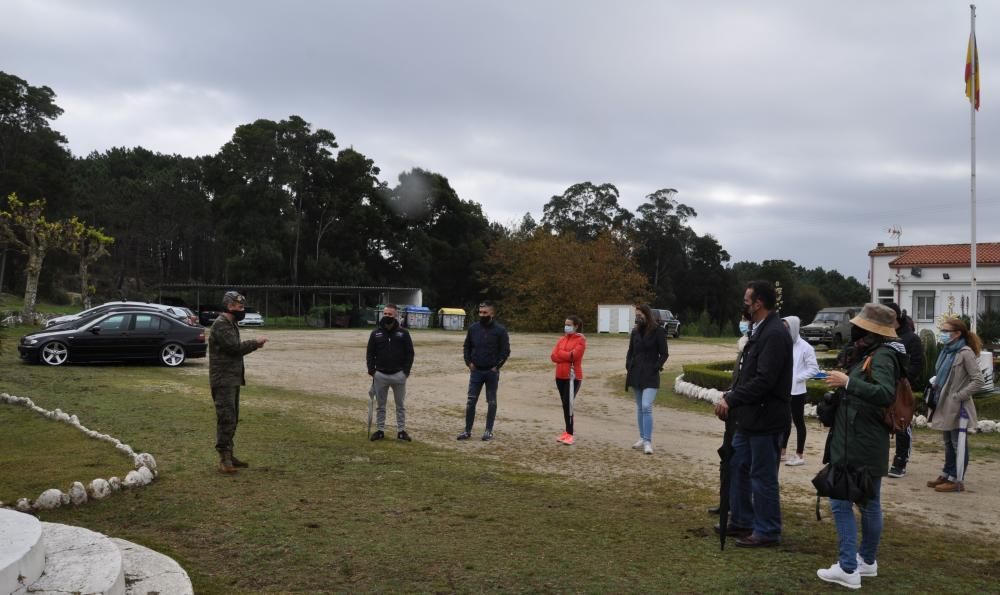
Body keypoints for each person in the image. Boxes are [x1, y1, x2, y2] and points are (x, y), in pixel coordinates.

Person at [817, 303, 906, 589]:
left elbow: (883, 393)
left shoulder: (881, 356)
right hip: (866, 441)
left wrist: (847, 383)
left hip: (859, 442)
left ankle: (848, 567)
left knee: (840, 499)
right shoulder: (877, 353)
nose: (854, 329)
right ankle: (866, 561)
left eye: (859, 325)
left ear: (870, 329)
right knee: (869, 503)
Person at [713, 281, 791, 547]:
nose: (744, 303)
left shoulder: (774, 334)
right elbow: (748, 373)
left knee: (762, 476)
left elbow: (765, 380)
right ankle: (742, 520)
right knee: (738, 466)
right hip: (749, 419)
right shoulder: (760, 331)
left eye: (747, 299)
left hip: (766, 419)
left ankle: (768, 530)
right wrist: (731, 394)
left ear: (758, 303)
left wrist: (732, 398)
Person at [209, 291, 267, 474]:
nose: (242, 310)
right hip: (223, 380)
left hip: (231, 379)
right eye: (239, 307)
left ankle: (229, 456)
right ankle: (224, 460)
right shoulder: (221, 325)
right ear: (229, 306)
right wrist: (255, 343)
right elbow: (234, 348)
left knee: (232, 418)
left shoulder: (230, 323)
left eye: (242, 306)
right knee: (226, 418)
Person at [926, 317, 985, 493]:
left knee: (957, 442)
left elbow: (978, 380)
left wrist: (959, 396)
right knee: (948, 442)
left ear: (957, 333)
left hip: (957, 405)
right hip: (943, 401)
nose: (942, 334)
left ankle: (957, 479)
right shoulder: (947, 351)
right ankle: (947, 473)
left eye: (945, 331)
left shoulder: (964, 352)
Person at [457, 301, 511, 441]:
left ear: (492, 313)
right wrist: (468, 362)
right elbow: (466, 346)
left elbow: (505, 351)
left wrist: (496, 367)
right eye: (480, 312)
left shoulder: (500, 330)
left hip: (491, 372)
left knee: (491, 401)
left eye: (485, 313)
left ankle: (488, 431)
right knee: (471, 401)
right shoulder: (473, 328)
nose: (482, 315)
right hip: (476, 371)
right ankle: (467, 431)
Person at [366, 303, 415, 442]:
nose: (387, 316)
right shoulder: (375, 333)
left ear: (396, 315)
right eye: (386, 314)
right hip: (380, 375)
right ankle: (380, 430)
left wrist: (406, 371)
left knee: (400, 406)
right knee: (380, 406)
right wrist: (372, 370)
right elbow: (370, 353)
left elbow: (410, 353)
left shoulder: (403, 333)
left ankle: (401, 431)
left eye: (390, 314)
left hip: (399, 375)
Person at [886, 302, 924, 478]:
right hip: (882, 385)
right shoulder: (882, 335)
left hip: (900, 388)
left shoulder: (911, 338)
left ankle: (900, 461)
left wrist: (904, 379)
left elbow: (918, 364)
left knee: (902, 423)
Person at [626, 304, 669, 455]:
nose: (638, 317)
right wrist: (628, 365)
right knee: (639, 406)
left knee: (646, 406)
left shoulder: (658, 331)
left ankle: (648, 441)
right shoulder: (635, 332)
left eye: (640, 314)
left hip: (650, 374)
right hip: (636, 373)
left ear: (646, 314)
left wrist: (656, 367)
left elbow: (664, 353)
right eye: (636, 315)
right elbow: (630, 351)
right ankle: (642, 437)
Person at [781, 316, 819, 466]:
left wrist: (796, 378)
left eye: (787, 328)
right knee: (784, 421)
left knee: (798, 422)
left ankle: (799, 454)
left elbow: (814, 369)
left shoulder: (805, 347)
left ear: (794, 328)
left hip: (797, 391)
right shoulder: (784, 344)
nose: (784, 330)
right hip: (784, 389)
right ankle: (782, 451)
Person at [550, 315, 586, 445]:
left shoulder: (580, 340)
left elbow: (574, 356)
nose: (567, 326)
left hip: (573, 377)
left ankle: (570, 434)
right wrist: (565, 356)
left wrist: (562, 354)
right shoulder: (561, 339)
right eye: (566, 324)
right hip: (559, 376)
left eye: (569, 324)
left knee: (568, 404)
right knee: (565, 405)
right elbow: (553, 356)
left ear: (576, 326)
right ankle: (567, 431)